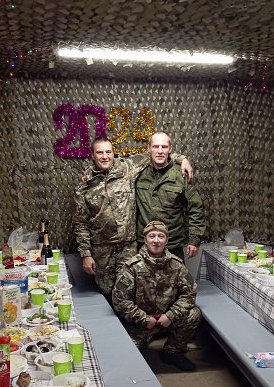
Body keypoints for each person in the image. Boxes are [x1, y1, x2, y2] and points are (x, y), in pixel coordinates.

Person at [72, 137, 193, 297]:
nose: (105, 156)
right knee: (107, 293)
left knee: (128, 291)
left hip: (128, 247)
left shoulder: (127, 168)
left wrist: (182, 159)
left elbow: (155, 153)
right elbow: (80, 223)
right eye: (100, 153)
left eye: (108, 152)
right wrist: (86, 255)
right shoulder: (84, 186)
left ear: (113, 153)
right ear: (92, 155)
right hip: (102, 250)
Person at [112, 220, 201, 372]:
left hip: (167, 319)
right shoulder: (132, 267)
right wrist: (144, 319)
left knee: (194, 314)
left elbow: (189, 293)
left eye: (161, 236)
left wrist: (171, 315)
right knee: (124, 361)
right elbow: (120, 299)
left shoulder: (177, 265)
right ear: (145, 239)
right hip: (140, 323)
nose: (156, 240)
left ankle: (173, 352)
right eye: (151, 236)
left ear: (167, 240)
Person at [135, 131, 206, 261]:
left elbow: (196, 208)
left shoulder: (181, 175)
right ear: (149, 148)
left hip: (172, 244)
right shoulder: (137, 171)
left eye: (164, 147)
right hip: (144, 244)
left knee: (177, 275)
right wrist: (182, 158)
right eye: (155, 146)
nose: (160, 151)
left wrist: (194, 239)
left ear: (170, 149)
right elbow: (110, 161)